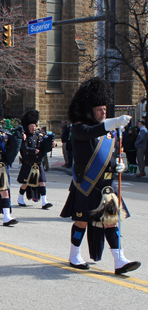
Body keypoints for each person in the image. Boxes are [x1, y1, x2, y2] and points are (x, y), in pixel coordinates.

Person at [60, 77, 140, 274]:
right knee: (81, 221)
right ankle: (74, 254)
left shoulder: (109, 132)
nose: (103, 112)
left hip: (105, 186)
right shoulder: (79, 128)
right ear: (89, 110)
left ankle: (119, 259)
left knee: (111, 220)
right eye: (99, 109)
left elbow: (109, 156)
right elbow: (91, 133)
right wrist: (114, 123)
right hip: (86, 185)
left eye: (105, 108)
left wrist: (118, 165)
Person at [17, 110, 55, 209]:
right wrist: (32, 151)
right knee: (25, 183)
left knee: (42, 181)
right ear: (27, 127)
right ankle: (20, 198)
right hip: (28, 163)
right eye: (31, 126)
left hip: (38, 163)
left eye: (34, 126)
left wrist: (52, 144)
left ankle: (44, 201)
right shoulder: (25, 137)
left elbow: (45, 147)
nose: (34, 128)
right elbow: (24, 149)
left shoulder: (39, 136)